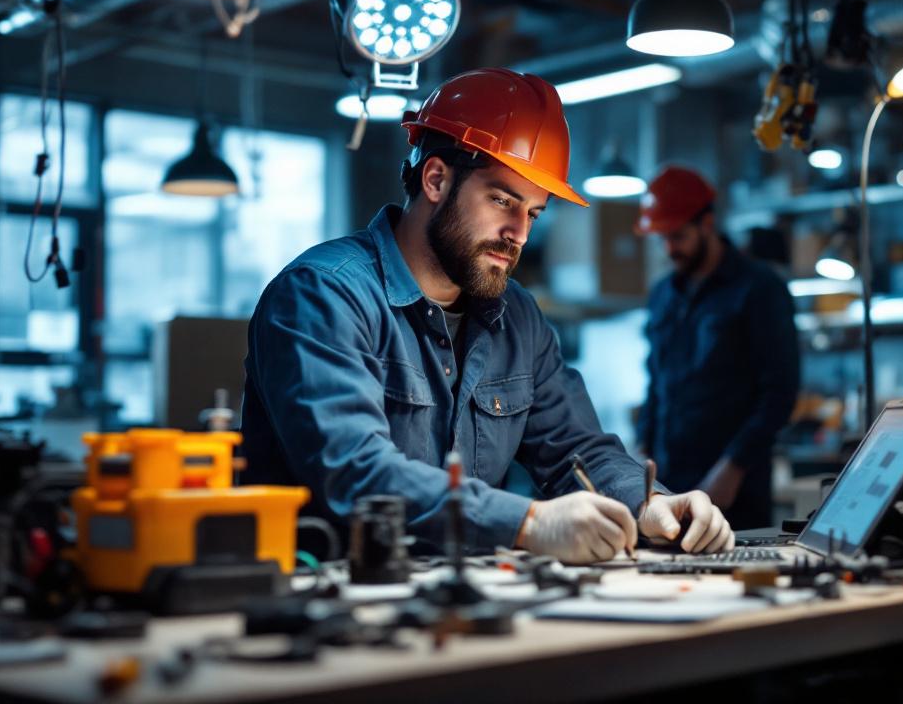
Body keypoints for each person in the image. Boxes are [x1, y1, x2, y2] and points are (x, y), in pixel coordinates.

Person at [239, 68, 733, 564]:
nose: (518, 232)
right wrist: (529, 523)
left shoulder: (517, 318)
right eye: (502, 200)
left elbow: (576, 451)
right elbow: (356, 472)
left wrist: (651, 504)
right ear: (435, 179)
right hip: (325, 602)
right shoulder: (322, 295)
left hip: (462, 600)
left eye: (533, 213)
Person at [635, 167, 800, 529]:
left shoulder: (759, 289)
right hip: (666, 485)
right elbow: (656, 382)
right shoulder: (663, 295)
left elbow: (780, 392)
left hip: (732, 489)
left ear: (707, 223)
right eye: (662, 238)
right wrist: (641, 452)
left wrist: (733, 467)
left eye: (677, 236)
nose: (669, 249)